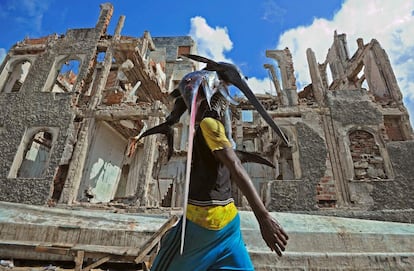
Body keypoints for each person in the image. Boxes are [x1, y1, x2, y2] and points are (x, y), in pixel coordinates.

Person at [150, 90, 289, 271]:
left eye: (195, 104)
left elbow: (235, 166)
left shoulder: (209, 124)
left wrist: (263, 218)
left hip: (202, 225)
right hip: (229, 223)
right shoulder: (217, 133)